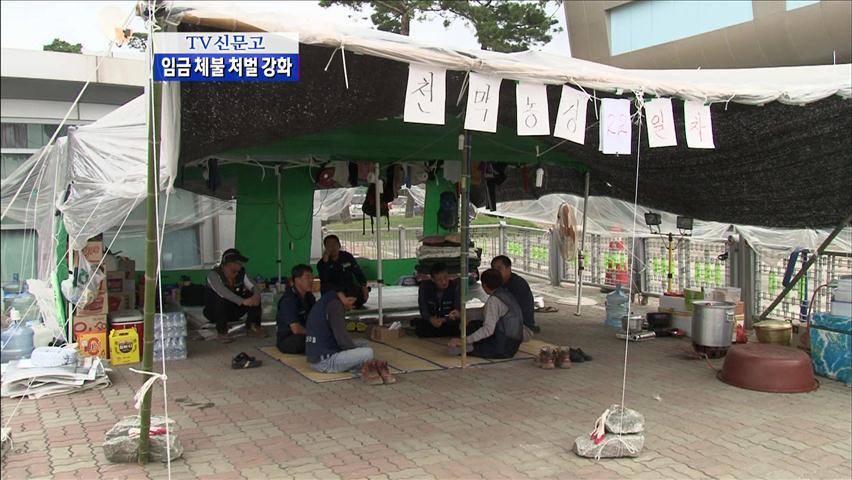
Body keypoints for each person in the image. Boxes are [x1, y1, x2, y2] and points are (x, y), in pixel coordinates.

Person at [448, 269, 525, 359]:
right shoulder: (506, 294)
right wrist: (462, 313)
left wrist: (464, 341)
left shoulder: (494, 301)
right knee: (474, 324)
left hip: (503, 346)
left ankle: (470, 346)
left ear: (484, 285)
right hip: (513, 343)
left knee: (454, 349)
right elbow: (483, 312)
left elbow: (488, 329)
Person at [204, 248, 265, 343]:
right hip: (214, 313)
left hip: (234, 310)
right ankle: (222, 331)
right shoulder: (213, 275)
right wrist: (242, 301)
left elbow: (254, 286)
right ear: (229, 263)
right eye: (239, 262)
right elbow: (222, 291)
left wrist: (256, 296)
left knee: (252, 294)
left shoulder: (241, 273)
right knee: (219, 298)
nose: (241, 264)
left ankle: (252, 326)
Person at [316, 235, 370, 308]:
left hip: (348, 288)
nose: (332, 247)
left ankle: (348, 303)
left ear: (339, 245)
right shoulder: (321, 264)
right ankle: (343, 303)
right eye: (329, 245)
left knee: (361, 296)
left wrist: (364, 286)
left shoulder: (347, 257)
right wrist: (326, 262)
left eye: (334, 244)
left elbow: (358, 272)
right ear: (325, 248)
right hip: (334, 291)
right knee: (332, 299)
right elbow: (325, 279)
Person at [491, 255, 539, 333]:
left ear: (509, 268)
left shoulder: (517, 284)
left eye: (499, 268)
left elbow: (508, 309)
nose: (495, 271)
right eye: (493, 269)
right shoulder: (500, 282)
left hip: (522, 325)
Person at [275, 264, 316, 354]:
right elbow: (296, 329)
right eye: (307, 278)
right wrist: (316, 334)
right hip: (289, 338)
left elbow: (316, 317)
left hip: (306, 333)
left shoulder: (309, 296)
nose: (311, 281)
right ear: (297, 280)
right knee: (310, 340)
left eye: (312, 278)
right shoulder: (288, 300)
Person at [415, 263, 461, 338]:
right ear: (432, 279)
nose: (444, 282)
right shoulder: (424, 287)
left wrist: (450, 317)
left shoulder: (455, 286)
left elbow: (457, 309)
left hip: (448, 321)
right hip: (432, 321)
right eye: (439, 280)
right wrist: (431, 319)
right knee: (421, 328)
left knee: (458, 328)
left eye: (446, 278)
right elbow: (423, 310)